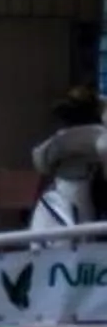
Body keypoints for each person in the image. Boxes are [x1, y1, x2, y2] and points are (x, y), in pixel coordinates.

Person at [31, 86, 107, 229]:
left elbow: (41, 161)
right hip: (72, 193)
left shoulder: (68, 139)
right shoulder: (65, 139)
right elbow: (40, 159)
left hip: (80, 190)